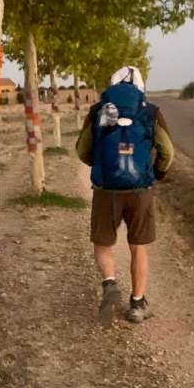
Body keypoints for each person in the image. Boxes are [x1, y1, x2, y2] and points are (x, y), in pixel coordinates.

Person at [75, 66, 174, 324]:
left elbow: (82, 149)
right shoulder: (150, 111)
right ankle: (137, 304)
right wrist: (156, 174)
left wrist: (100, 165)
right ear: (140, 88)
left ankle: (110, 284)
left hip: (106, 190)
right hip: (139, 190)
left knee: (103, 242)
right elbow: (168, 152)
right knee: (138, 246)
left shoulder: (98, 111)